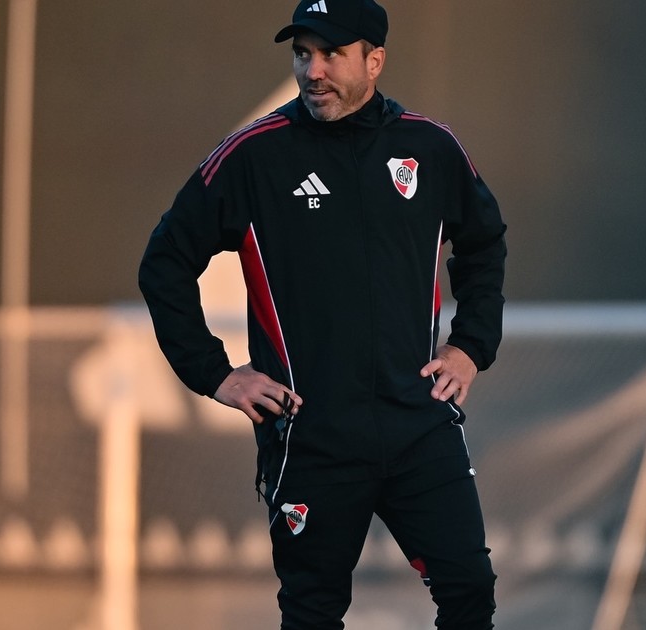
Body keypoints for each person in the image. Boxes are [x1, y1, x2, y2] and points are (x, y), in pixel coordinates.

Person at [138, 0, 506, 627]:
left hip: (418, 424)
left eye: (332, 54)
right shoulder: (254, 154)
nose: (313, 71)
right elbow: (164, 262)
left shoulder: (429, 146)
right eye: (302, 53)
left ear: (375, 60)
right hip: (311, 436)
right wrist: (216, 374)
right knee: (312, 613)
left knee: (469, 590)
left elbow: (483, 242)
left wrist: (470, 345)